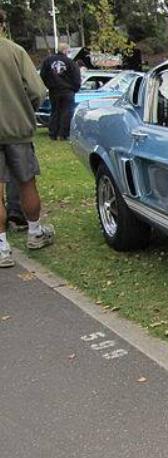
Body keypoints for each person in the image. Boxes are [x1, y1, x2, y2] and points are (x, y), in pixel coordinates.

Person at [0, 9, 55, 268]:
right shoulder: (14, 51)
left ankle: (2, 247)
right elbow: (37, 90)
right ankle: (34, 232)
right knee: (26, 182)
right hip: (18, 130)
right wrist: (25, 107)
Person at [40, 42, 81, 140]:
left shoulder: (48, 61)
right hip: (68, 91)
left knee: (55, 112)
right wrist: (75, 88)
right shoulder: (70, 62)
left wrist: (49, 86)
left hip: (54, 91)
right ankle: (63, 134)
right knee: (67, 113)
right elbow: (76, 77)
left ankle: (53, 133)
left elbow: (43, 76)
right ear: (65, 50)